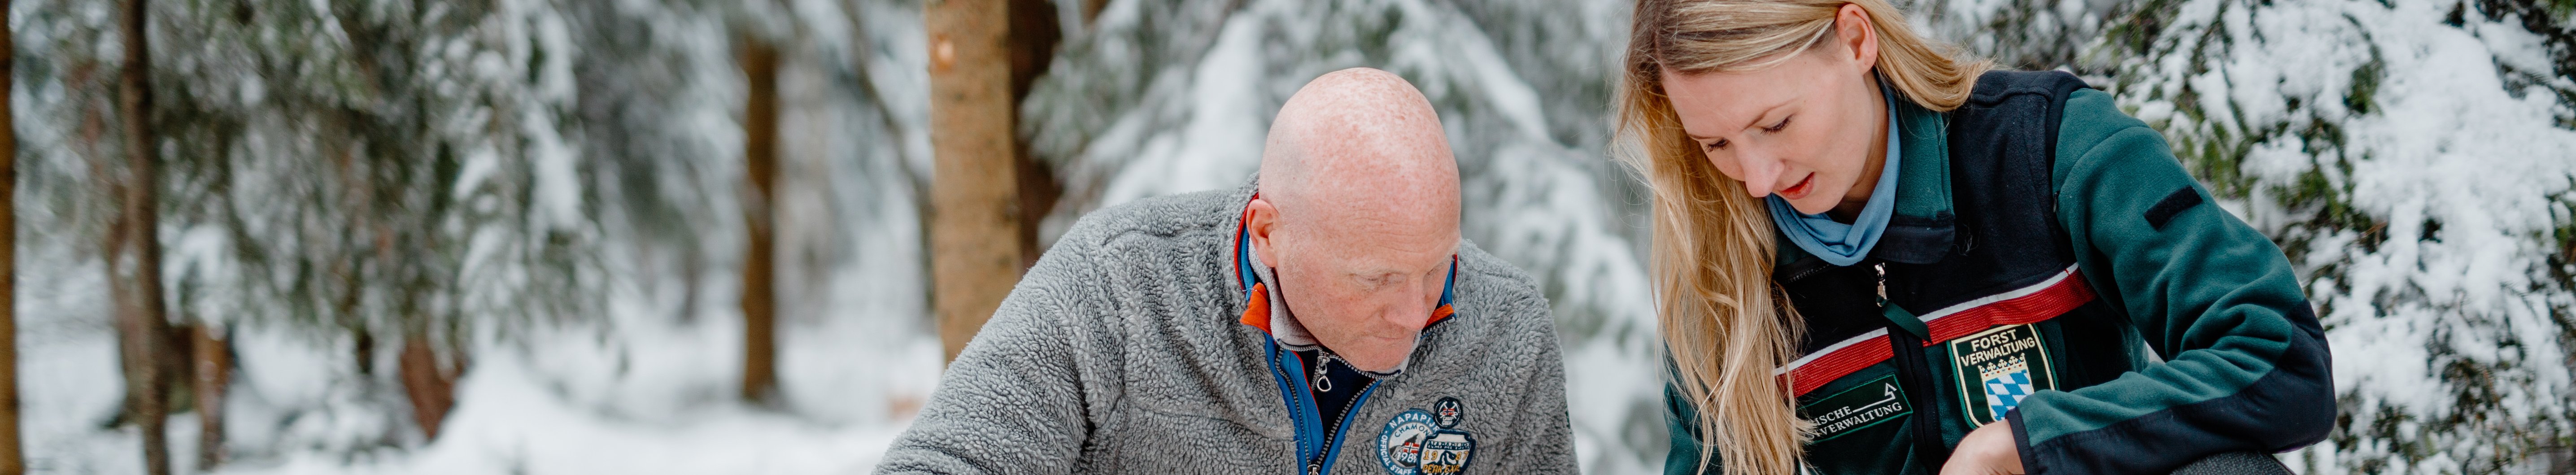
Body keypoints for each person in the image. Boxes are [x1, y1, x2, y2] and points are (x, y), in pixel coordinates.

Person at [1615, 0, 2336, 474]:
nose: (1759, 178)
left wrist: (2024, 446)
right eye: (1715, 145)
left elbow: (2281, 361)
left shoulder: (2050, 147)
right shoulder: (1720, 271)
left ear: (1856, 39)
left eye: (1776, 124)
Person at [875, 68, 1577, 475]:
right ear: (1269, 233)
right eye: (1376, 279)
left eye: (1437, 267)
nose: (1417, 311)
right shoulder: (1117, 289)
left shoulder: (1507, 329)